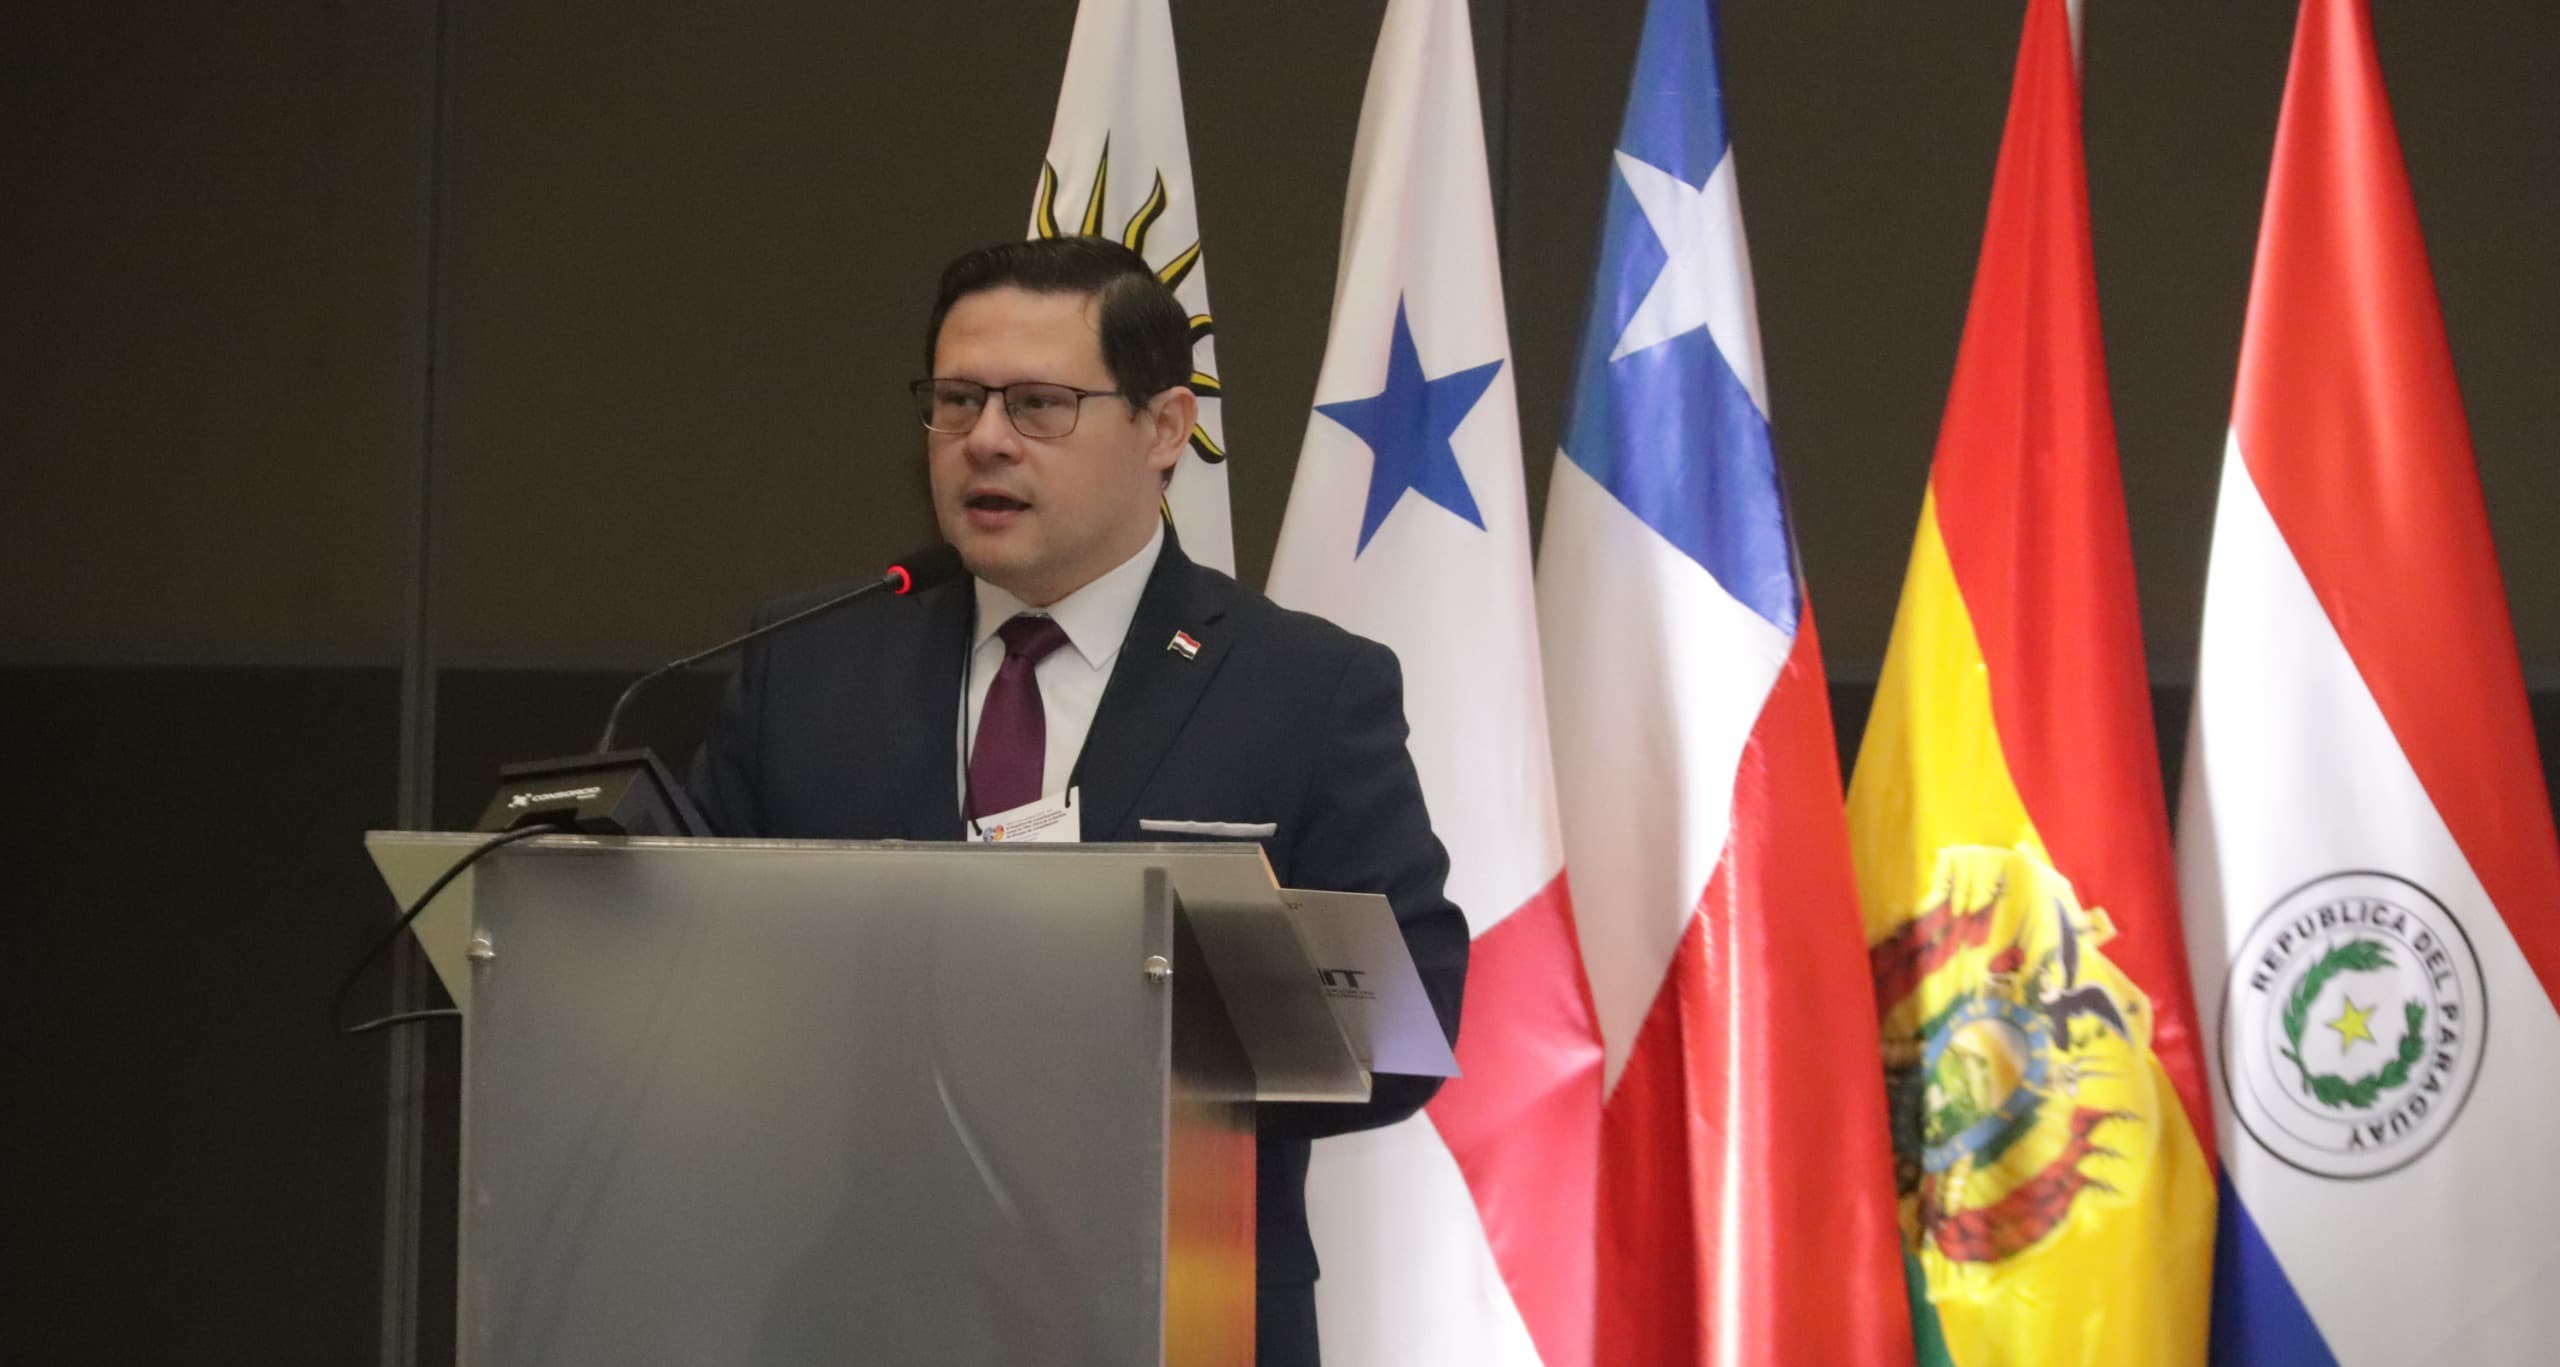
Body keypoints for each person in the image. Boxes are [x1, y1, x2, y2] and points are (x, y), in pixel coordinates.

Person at [688, 235, 1468, 1366]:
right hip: (858, 1314)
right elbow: (675, 973)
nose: (986, 439)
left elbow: (1410, 1022)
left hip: (1173, 1311)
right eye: (958, 400)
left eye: (1039, 403)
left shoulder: (1301, 689)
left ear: (1162, 429)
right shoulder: (811, 664)